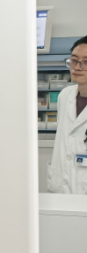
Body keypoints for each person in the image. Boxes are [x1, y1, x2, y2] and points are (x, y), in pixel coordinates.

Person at [48, 36, 87, 194]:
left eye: (86, 62)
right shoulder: (65, 95)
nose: (77, 67)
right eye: (74, 60)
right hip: (59, 187)